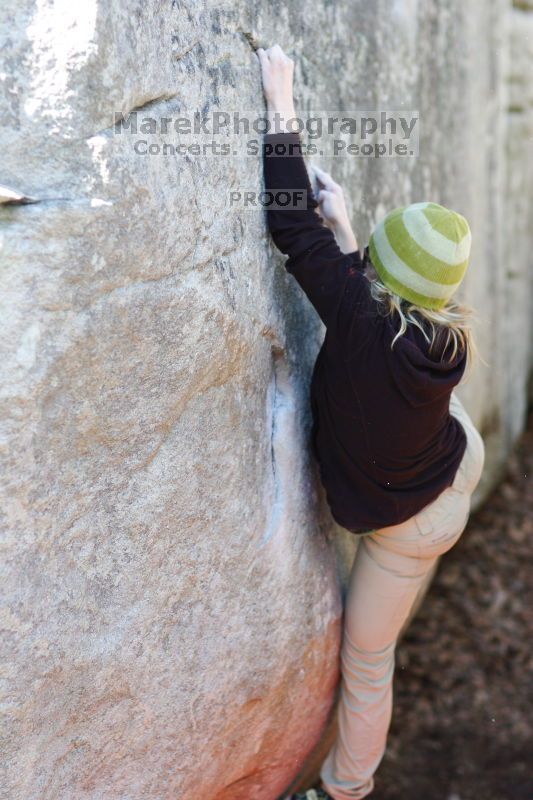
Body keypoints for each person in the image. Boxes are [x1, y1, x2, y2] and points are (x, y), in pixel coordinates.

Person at [256, 45, 486, 800]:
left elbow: (292, 229)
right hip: (454, 453)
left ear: (377, 279)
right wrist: (349, 226)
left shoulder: (358, 315)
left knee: (366, 660)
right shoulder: (442, 336)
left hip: (412, 522)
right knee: (402, 395)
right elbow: (367, 303)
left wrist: (280, 101)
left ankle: (345, 790)